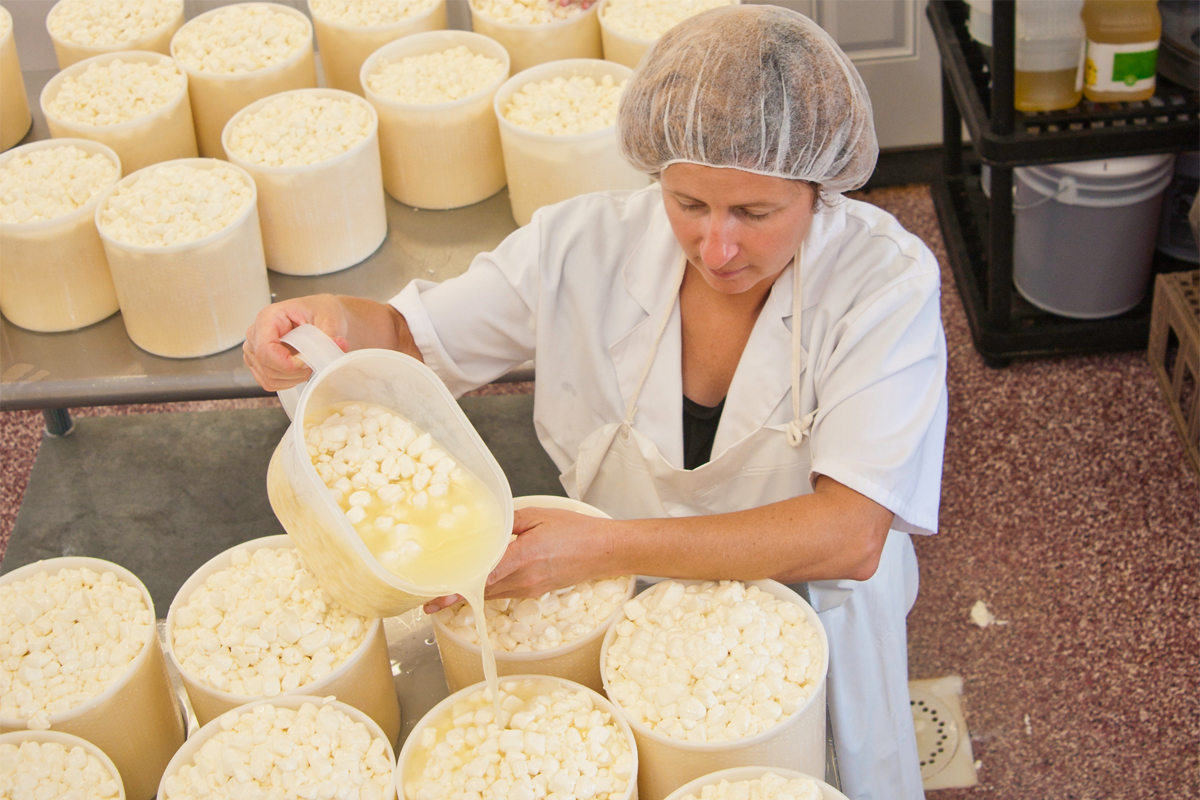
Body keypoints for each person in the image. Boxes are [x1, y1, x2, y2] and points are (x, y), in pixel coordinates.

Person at [244, 7, 946, 799]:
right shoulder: (581, 246)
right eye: (688, 204)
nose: (717, 248)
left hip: (801, 614)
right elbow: (408, 338)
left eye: (754, 213)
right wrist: (331, 321)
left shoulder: (883, 283)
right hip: (609, 606)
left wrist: (601, 549)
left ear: (819, 187)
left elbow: (846, 535)